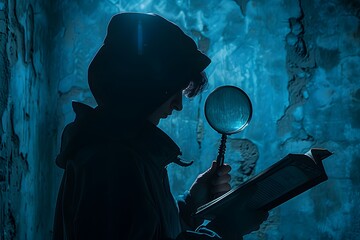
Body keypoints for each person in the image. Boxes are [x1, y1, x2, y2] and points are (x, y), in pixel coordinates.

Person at [52, 12, 267, 240]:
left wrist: (191, 205)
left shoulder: (124, 153)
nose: (179, 105)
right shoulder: (112, 162)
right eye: (173, 91)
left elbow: (152, 232)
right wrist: (228, 229)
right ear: (144, 87)